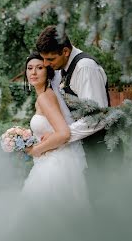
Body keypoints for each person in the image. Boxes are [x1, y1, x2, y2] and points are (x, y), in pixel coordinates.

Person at [28, 25, 110, 166]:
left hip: (101, 150)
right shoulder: (62, 70)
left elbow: (97, 117)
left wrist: (59, 136)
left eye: (50, 59)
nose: (46, 64)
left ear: (65, 51)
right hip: (80, 149)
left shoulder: (84, 68)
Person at [21, 53, 88, 202]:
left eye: (39, 68)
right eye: (30, 68)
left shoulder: (45, 97)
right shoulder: (45, 96)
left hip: (55, 165)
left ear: (48, 71)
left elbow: (64, 134)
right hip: (52, 159)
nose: (33, 72)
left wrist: (35, 150)